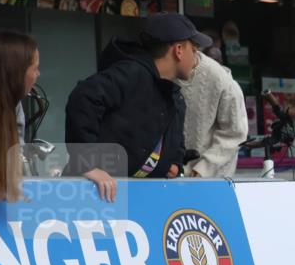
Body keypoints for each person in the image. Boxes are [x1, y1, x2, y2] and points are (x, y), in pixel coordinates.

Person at [66, 13, 209, 201]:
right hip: (91, 198)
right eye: (194, 49)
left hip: (132, 201)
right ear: (179, 50)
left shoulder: (174, 96)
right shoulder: (130, 74)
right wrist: (86, 164)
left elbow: (173, 146)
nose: (197, 58)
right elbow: (83, 97)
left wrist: (174, 164)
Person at [0, 29, 39, 201]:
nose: (37, 75)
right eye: (35, 68)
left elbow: (16, 158)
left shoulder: (14, 107)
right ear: (14, 73)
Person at [175, 49, 248, 177]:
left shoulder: (226, 83)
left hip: (213, 180)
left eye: (218, 58)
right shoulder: (165, 73)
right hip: (171, 176)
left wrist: (203, 169)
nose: (216, 61)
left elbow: (234, 134)